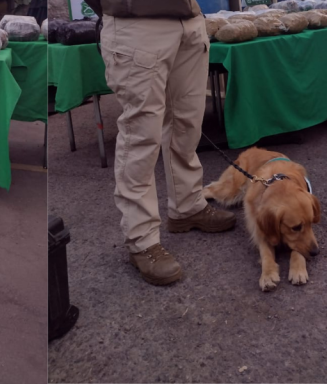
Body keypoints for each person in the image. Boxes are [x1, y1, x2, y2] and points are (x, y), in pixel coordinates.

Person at [84, 0, 237, 286]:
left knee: (187, 124)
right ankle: (141, 239)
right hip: (137, 25)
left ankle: (187, 206)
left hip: (189, 19)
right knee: (140, 136)